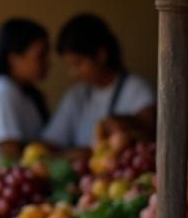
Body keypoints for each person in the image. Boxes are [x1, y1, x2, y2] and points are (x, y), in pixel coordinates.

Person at [42, 13, 156, 150]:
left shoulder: (138, 90)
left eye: (78, 64)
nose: (73, 73)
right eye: (70, 66)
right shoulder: (77, 94)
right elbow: (52, 140)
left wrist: (125, 124)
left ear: (101, 55)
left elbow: (150, 132)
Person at [0, 19, 51, 165]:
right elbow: (11, 155)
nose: (48, 63)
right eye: (41, 55)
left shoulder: (25, 93)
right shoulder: (2, 91)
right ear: (14, 58)